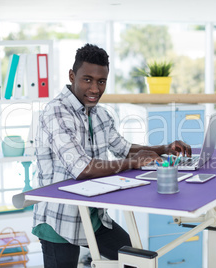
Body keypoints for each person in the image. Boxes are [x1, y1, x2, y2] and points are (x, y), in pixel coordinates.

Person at [32, 43, 191, 268]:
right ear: (72, 76)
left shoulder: (99, 114)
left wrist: (164, 149)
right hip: (59, 220)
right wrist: (134, 162)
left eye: (101, 81)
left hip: (94, 217)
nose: (95, 89)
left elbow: (124, 148)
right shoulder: (56, 112)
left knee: (137, 261)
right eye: (87, 79)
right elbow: (82, 168)